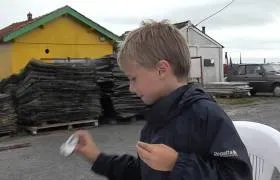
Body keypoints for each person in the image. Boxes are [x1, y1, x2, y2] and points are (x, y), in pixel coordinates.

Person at [75, 20, 252, 180]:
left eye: (133, 78)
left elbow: (237, 176)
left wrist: (177, 164)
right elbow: (144, 172)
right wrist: (96, 157)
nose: (130, 88)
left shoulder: (205, 115)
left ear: (161, 70)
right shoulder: (158, 117)